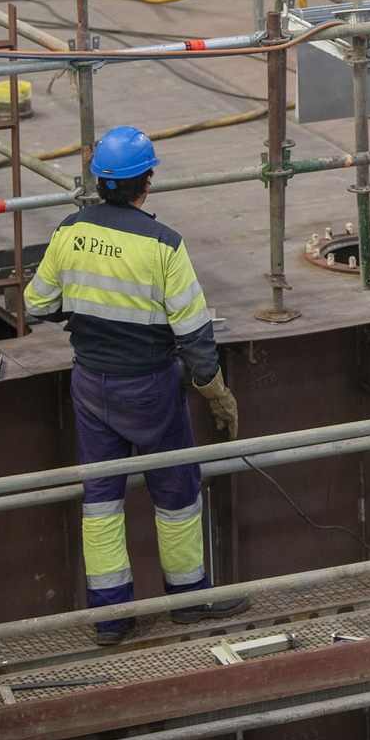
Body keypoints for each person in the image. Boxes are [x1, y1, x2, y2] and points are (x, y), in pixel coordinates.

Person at [23, 126, 248, 645]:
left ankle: (110, 617)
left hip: (89, 386)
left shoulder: (69, 232)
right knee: (176, 491)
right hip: (148, 387)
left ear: (100, 181)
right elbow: (193, 332)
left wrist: (86, 312)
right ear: (146, 182)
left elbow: (39, 304)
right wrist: (215, 389)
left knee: (101, 498)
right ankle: (188, 599)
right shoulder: (164, 246)